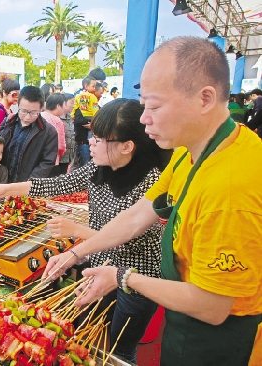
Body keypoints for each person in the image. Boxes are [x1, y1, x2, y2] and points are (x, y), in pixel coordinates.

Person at [42, 37, 262, 365]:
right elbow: (137, 215)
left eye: (154, 106)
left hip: (218, 341)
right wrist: (76, 253)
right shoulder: (193, 153)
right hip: (184, 321)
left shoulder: (229, 189)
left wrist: (122, 277)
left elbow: (213, 307)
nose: (143, 119)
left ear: (205, 99)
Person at [0, 98, 170, 363]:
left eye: (99, 139)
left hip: (136, 276)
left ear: (127, 146)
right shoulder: (99, 166)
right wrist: (6, 189)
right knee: (86, 334)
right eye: (92, 136)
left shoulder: (151, 182)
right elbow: (57, 184)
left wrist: (79, 231)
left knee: (120, 348)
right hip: (98, 264)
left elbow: (130, 240)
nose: (90, 143)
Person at [0, 86, 58, 183]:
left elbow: (47, 162)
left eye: (34, 113)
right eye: (24, 111)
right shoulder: (8, 122)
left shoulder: (49, 132)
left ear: (41, 109)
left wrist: (29, 184)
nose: (28, 117)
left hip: (26, 186)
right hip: (2, 182)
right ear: (18, 105)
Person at [41, 93, 67, 177]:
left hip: (38, 160)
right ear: (58, 106)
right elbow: (60, 146)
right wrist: (62, 153)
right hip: (52, 160)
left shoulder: (39, 116)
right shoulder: (57, 121)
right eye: (64, 105)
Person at [59, 93, 76, 175]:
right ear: (63, 103)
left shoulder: (70, 117)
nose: (73, 105)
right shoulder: (57, 118)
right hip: (60, 158)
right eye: (72, 102)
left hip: (69, 156)